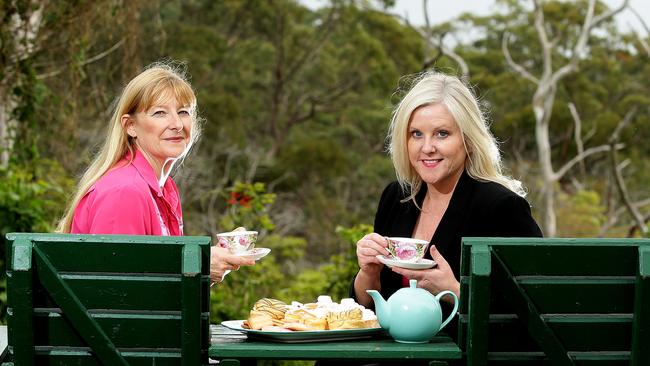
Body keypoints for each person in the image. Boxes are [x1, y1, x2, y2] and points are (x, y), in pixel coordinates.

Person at [350, 72, 543, 341]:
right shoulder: (397, 198)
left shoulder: (501, 207)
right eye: (416, 134)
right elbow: (367, 310)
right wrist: (368, 273)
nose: (427, 147)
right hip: (392, 352)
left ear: (468, 140)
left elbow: (534, 314)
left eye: (442, 134)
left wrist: (455, 289)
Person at [57, 63, 253, 284]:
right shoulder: (124, 192)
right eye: (160, 113)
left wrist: (206, 265)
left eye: (183, 112)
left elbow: (153, 285)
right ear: (130, 126)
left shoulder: (165, 189)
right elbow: (116, 294)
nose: (177, 124)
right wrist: (199, 265)